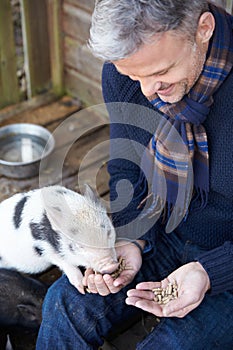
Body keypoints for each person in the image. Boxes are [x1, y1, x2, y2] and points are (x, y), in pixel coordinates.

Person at [36, 1, 233, 349]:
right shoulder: (124, 74)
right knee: (65, 304)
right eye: (133, 76)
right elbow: (126, 162)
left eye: (161, 72)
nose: (145, 92)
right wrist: (130, 236)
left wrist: (211, 271)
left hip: (227, 258)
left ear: (203, 30)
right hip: (164, 231)